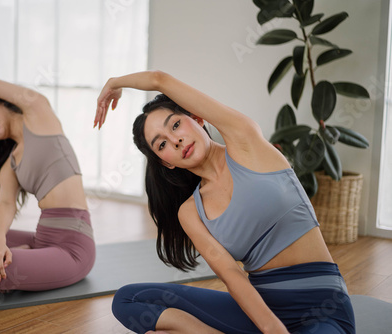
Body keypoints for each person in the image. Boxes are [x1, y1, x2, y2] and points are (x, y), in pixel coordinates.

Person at [94, 70, 355, 333]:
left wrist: (116, 83)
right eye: (161, 145)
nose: (175, 141)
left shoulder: (246, 142)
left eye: (175, 125)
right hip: (259, 312)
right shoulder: (191, 212)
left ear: (196, 118)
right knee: (128, 299)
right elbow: (232, 274)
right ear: (166, 163)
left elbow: (160, 80)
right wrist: (272, 328)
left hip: (323, 307)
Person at [0, 71, 95, 292]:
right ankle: (22, 255)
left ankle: (17, 260)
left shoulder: (38, 113)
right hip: (41, 239)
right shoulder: (9, 165)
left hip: (73, 250)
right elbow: (6, 204)